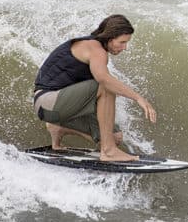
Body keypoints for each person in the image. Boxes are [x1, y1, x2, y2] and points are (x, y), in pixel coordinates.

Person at [32, 14, 157, 162]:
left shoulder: (98, 53)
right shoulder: (94, 48)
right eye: (122, 42)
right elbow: (104, 81)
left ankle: (59, 128)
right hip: (46, 101)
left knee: (114, 137)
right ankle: (109, 151)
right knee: (105, 87)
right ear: (110, 38)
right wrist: (138, 98)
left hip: (60, 106)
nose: (125, 48)